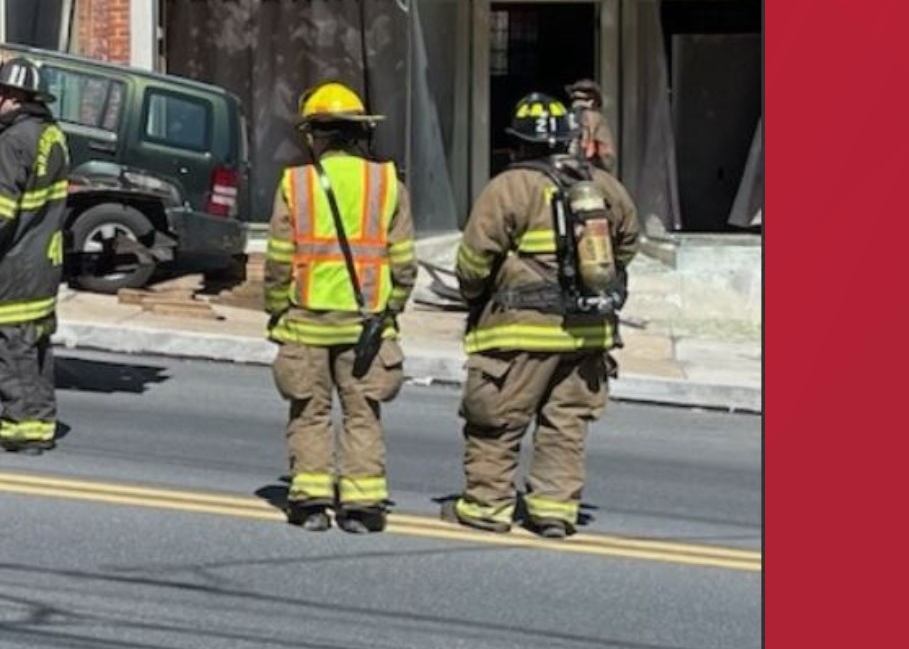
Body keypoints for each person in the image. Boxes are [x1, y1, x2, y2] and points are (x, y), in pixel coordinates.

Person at [444, 92, 640, 539]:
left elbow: (475, 259)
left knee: (496, 420)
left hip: (520, 330)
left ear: (519, 143)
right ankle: (553, 511)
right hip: (588, 330)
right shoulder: (604, 186)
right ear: (570, 139)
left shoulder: (507, 187)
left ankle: (487, 507)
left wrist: (476, 298)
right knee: (565, 424)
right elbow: (627, 244)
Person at [262, 82, 417, 534]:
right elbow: (404, 260)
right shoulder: (388, 183)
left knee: (309, 412)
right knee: (362, 413)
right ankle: (362, 507)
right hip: (367, 324)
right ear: (359, 132)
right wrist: (393, 307)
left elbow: (278, 260)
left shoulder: (295, 184)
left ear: (314, 135)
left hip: (306, 321)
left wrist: (276, 309)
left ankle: (310, 503)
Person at [0, 57, 71, 455]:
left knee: (11, 347)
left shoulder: (11, 143)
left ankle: (19, 427)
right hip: (44, 261)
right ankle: (40, 422)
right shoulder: (51, 135)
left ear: (16, 97)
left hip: (14, 264)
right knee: (36, 345)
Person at [565, 79, 617, 173]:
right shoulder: (596, 118)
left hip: (570, 171)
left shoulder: (564, 116)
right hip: (586, 172)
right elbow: (607, 156)